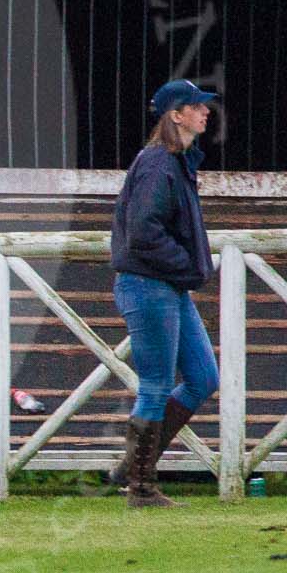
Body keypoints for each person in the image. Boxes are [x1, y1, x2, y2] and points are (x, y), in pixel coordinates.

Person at [107, 78, 222, 509]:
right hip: (150, 284)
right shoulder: (160, 164)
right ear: (177, 115)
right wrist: (189, 265)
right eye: (197, 106)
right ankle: (141, 486)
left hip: (163, 285)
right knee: (155, 385)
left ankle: (135, 464)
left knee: (203, 378)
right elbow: (142, 233)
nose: (206, 111)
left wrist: (186, 269)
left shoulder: (174, 162)